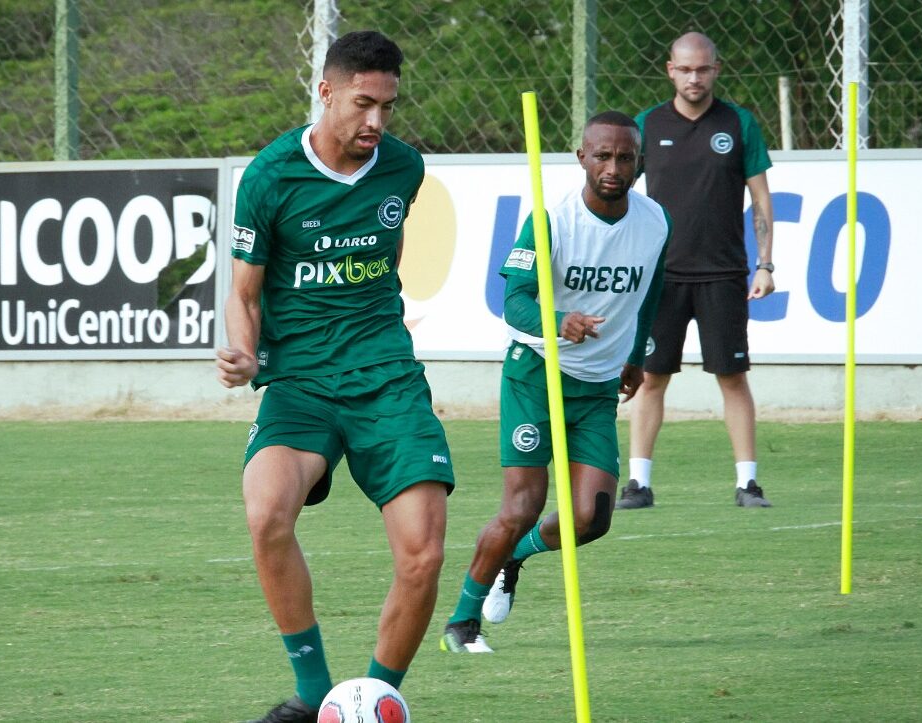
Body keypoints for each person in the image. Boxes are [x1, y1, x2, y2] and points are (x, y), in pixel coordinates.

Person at [215, 31, 454, 723]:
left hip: (386, 378)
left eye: (388, 106)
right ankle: (314, 694)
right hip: (301, 383)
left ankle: (373, 701)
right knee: (265, 514)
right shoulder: (269, 177)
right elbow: (244, 294)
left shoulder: (403, 168)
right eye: (363, 103)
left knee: (424, 553)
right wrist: (243, 352)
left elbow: (388, 258)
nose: (377, 121)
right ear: (326, 91)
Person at [440, 111, 670, 652]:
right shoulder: (552, 219)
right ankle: (462, 623)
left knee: (593, 518)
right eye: (602, 156)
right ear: (581, 157)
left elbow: (651, 290)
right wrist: (559, 321)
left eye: (625, 158)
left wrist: (636, 354)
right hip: (536, 375)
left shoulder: (656, 221)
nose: (613, 168)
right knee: (522, 506)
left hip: (597, 386)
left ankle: (514, 558)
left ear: (639, 162)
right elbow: (513, 301)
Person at [620, 31, 776, 510]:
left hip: (723, 275)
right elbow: (618, 191)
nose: (694, 77)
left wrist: (765, 264)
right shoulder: (647, 124)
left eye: (703, 69)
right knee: (650, 378)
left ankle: (748, 483)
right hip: (661, 278)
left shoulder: (739, 123)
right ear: (670, 70)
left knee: (732, 376)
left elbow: (760, 199)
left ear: (716, 69)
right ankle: (638, 483)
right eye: (685, 69)